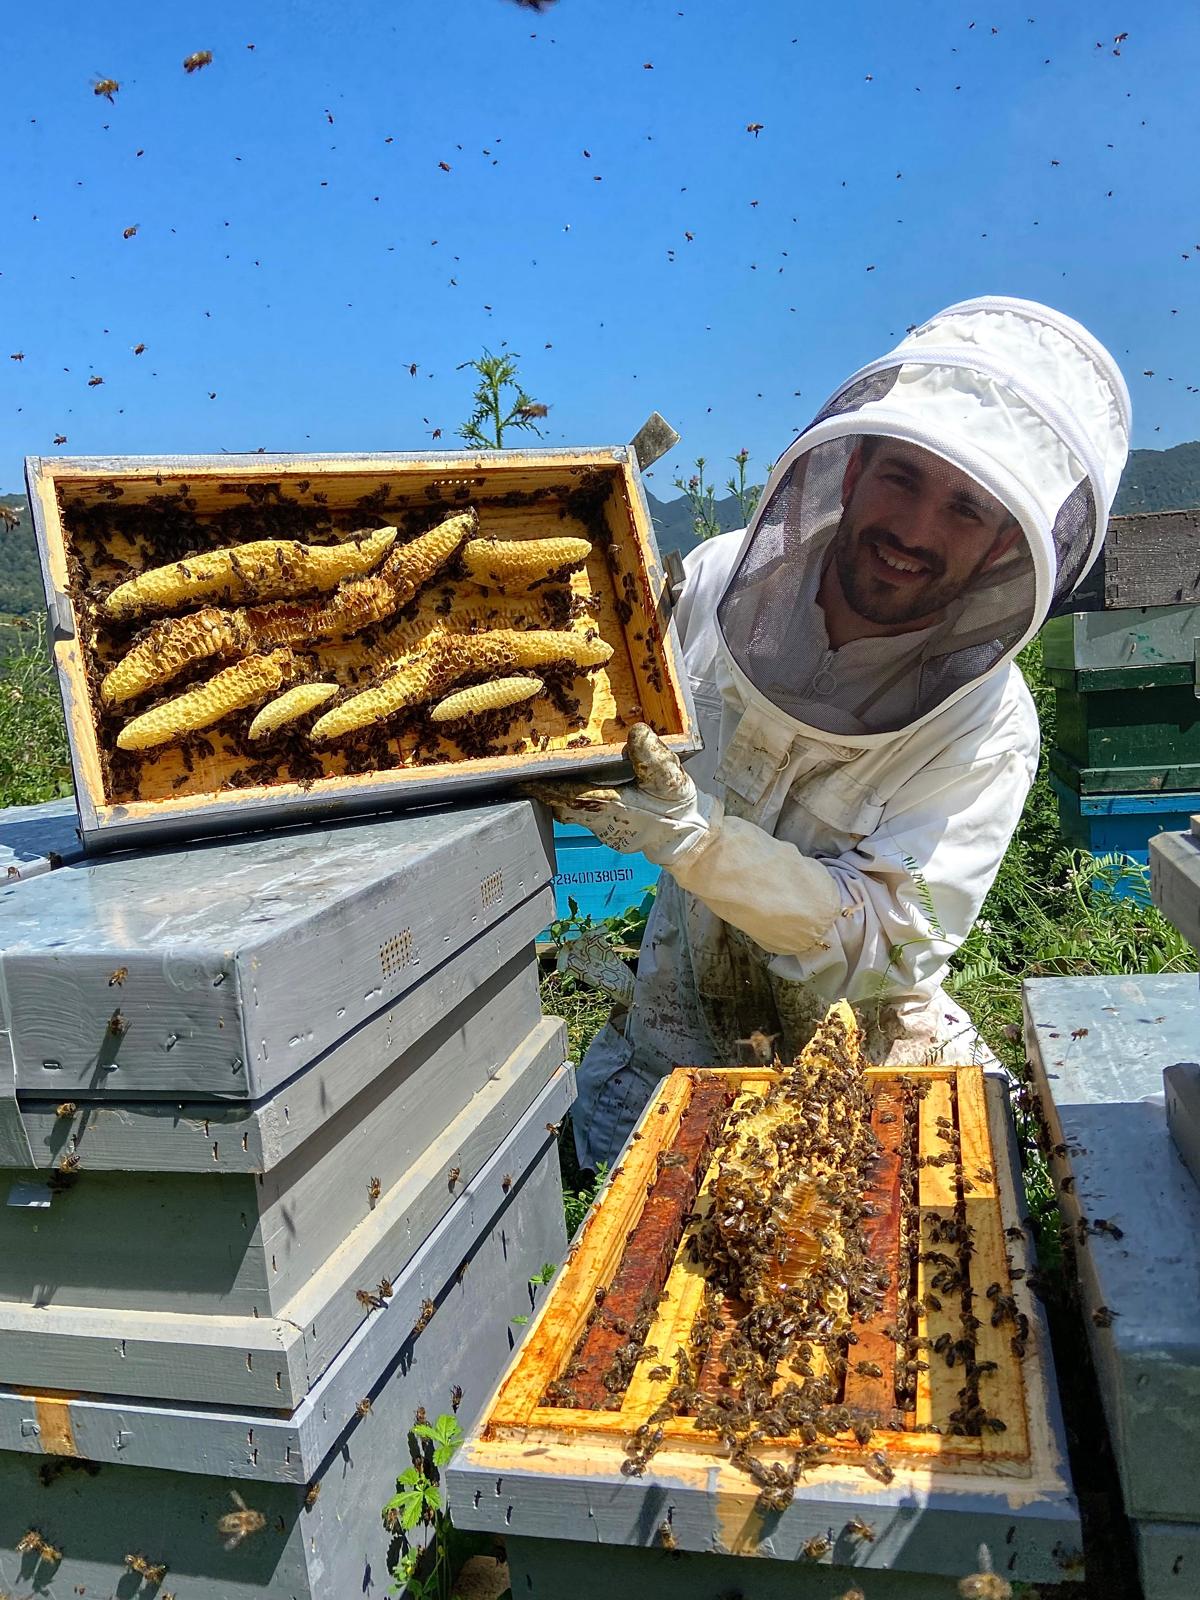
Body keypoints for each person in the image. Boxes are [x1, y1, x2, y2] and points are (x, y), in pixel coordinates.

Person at [539, 296, 1131, 1174]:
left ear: (1007, 545)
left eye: (966, 509)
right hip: (680, 1008)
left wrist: (698, 844)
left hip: (860, 1044)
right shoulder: (710, 582)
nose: (916, 531)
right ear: (849, 473)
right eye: (902, 478)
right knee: (607, 1187)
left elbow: (886, 944)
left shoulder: (988, 725)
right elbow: (583, 714)